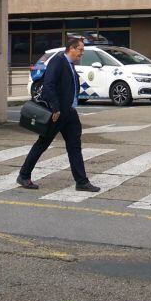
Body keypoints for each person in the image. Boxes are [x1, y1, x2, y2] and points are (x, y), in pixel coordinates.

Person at [16, 36, 100, 192]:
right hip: (58, 113)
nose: (82, 53)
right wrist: (55, 108)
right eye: (80, 50)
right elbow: (49, 85)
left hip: (69, 113)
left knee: (75, 146)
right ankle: (24, 175)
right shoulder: (58, 61)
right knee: (42, 143)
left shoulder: (70, 64)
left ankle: (81, 181)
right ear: (71, 48)